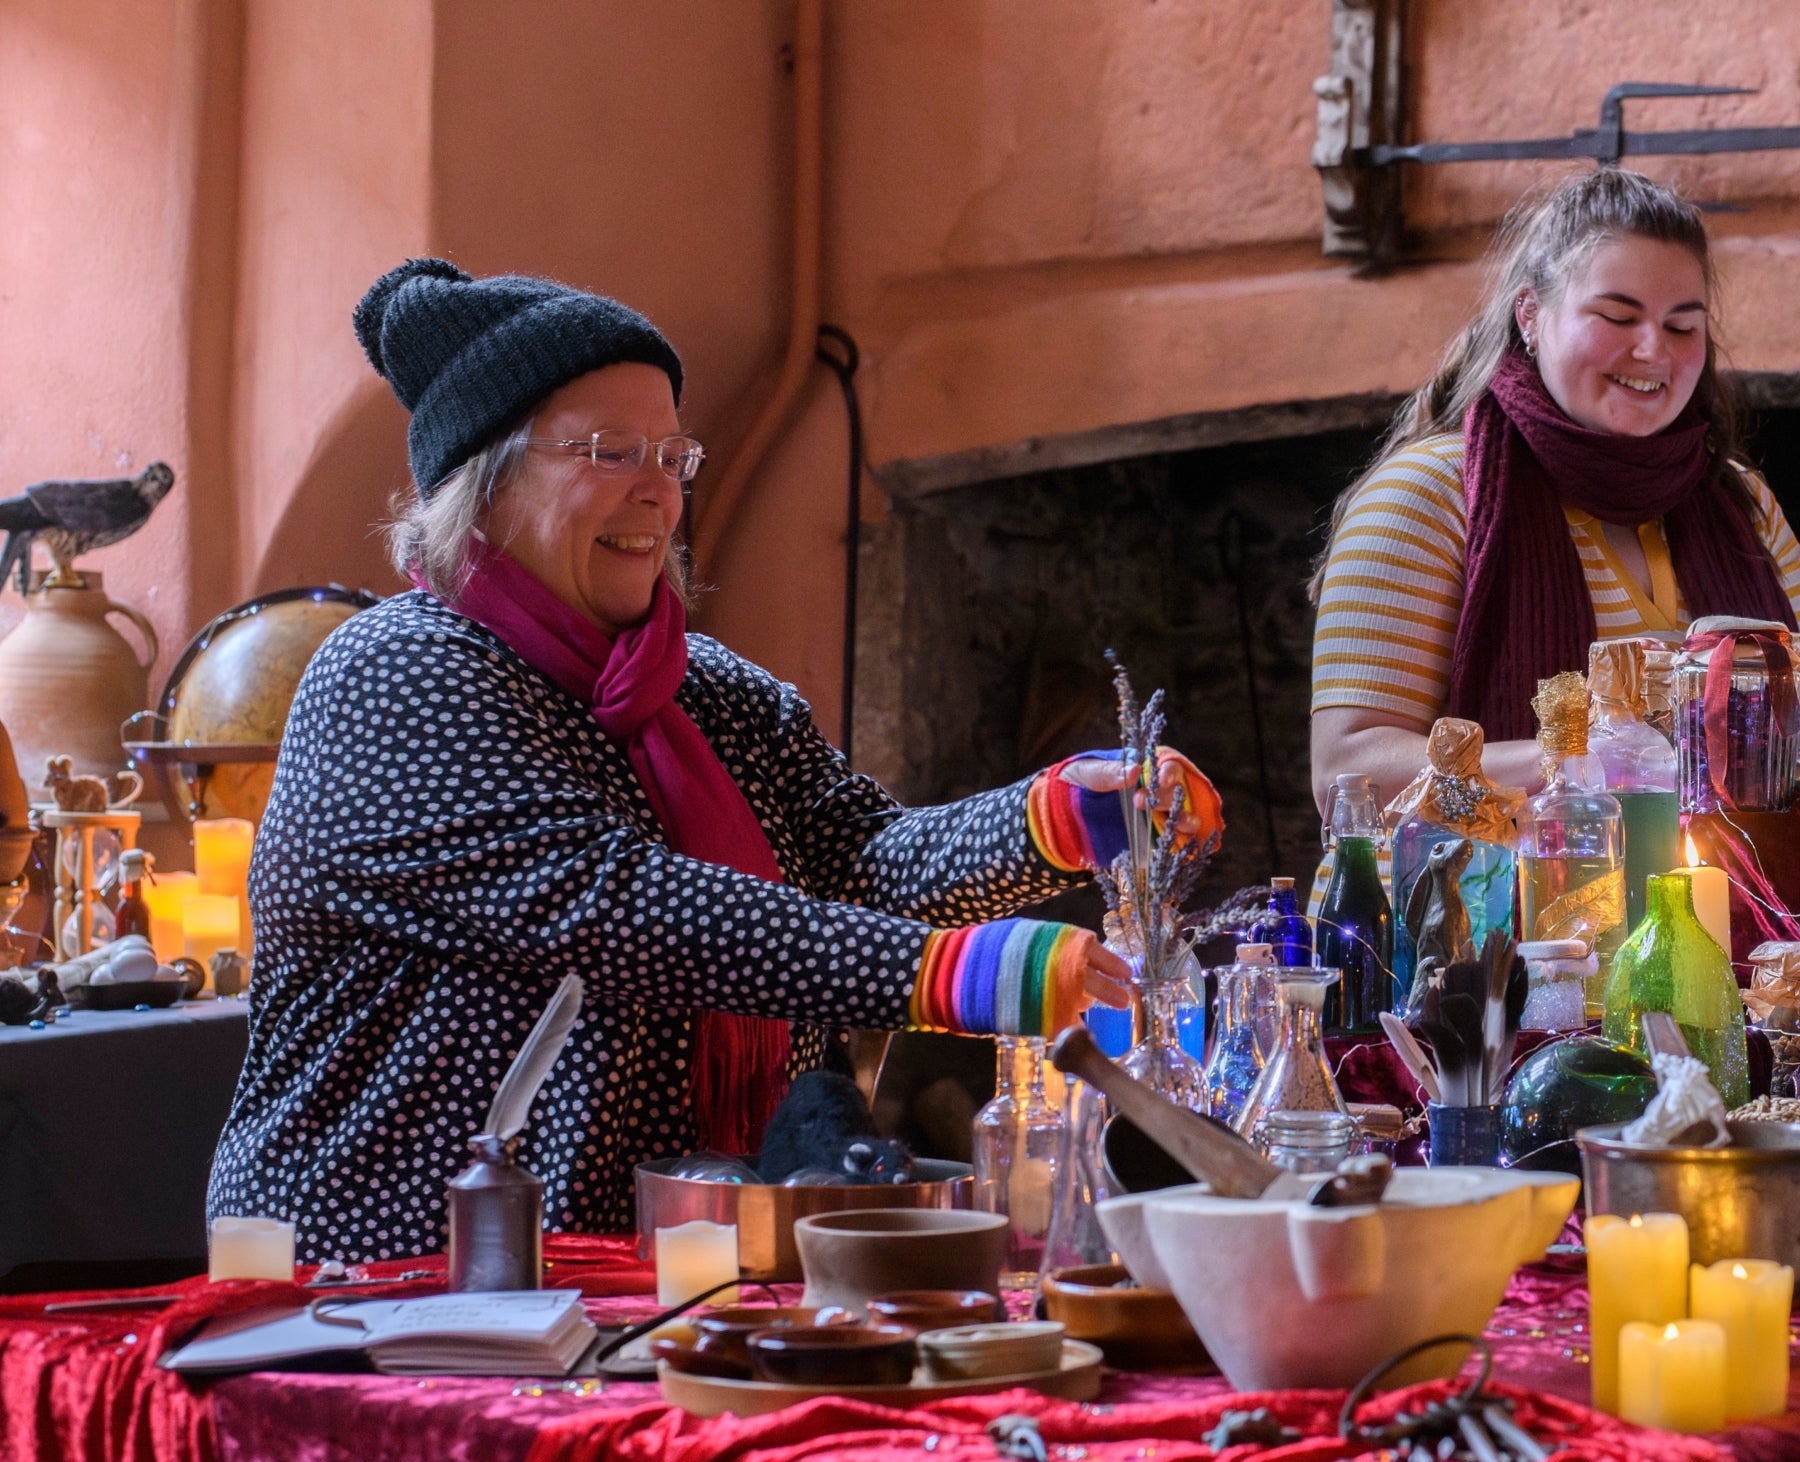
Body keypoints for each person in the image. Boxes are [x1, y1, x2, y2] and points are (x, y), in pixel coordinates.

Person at [206, 259, 1220, 1262]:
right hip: (387, 1271)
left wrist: (1058, 817)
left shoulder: (710, 690)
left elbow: (863, 856)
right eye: (611, 453)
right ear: (486, 481)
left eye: (674, 457)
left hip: (648, 1265)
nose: (659, 494)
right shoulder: (396, 674)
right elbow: (610, 906)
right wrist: (953, 973)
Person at [1307, 168, 1800, 806]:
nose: (1652, 350)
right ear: (1531, 314)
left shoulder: (1742, 501)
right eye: (1616, 315)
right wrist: (1579, 760)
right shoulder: (1429, 494)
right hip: (1470, 902)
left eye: (1682, 326)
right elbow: (1345, 773)